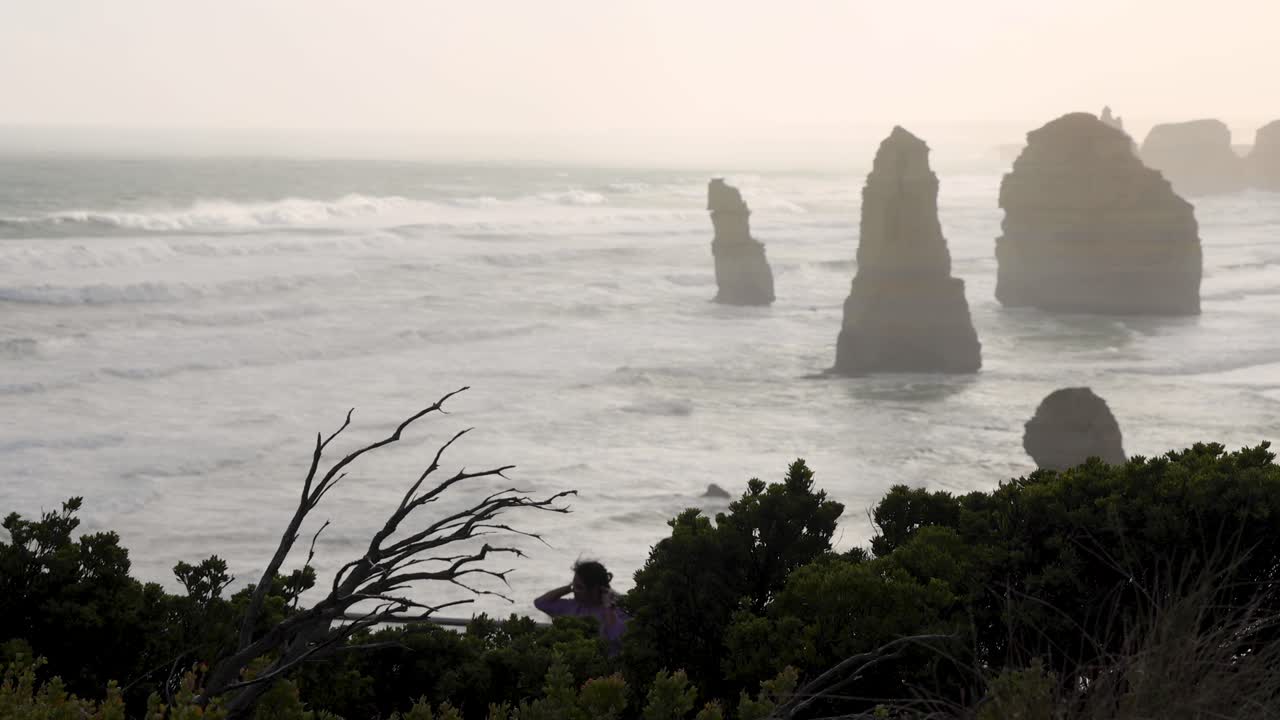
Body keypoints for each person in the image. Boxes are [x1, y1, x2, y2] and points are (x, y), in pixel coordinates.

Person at [534, 560, 630, 655]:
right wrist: (569, 588)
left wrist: (609, 607)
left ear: (595, 589)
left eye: (579, 587)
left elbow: (618, 637)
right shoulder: (571, 606)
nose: (575, 591)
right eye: (573, 586)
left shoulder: (617, 611)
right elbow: (541, 603)